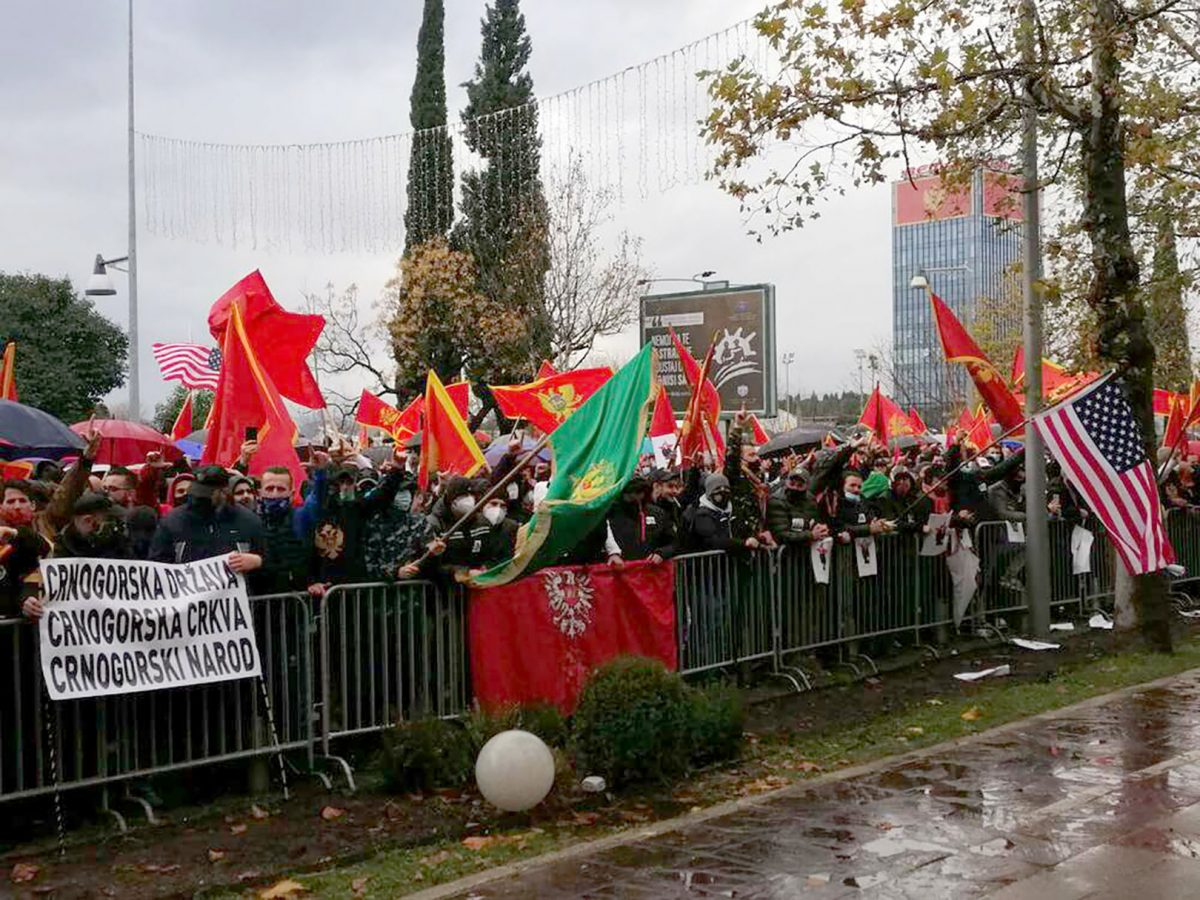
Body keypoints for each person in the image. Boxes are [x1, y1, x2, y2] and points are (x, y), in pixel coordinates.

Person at [310, 449, 407, 586]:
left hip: (355, 583)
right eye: (341, 482)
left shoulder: (360, 506)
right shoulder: (327, 506)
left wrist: (396, 470)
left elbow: (383, 494)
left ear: (355, 484)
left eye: (349, 482)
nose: (345, 487)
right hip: (328, 583)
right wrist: (321, 470)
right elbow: (318, 494)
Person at [148, 466, 264, 574]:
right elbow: (157, 565)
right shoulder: (172, 521)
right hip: (190, 593)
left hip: (236, 593)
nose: (200, 500)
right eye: (198, 494)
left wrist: (257, 561)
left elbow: (270, 563)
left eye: (207, 496)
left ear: (224, 492)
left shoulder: (249, 521)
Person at [255, 465, 322, 595]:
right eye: (269, 488)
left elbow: (319, 499)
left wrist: (321, 470)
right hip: (263, 601)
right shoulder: (252, 522)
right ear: (260, 492)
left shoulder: (300, 518)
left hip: (297, 599)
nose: (275, 494)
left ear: (291, 494)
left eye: (280, 489)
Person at [606, 476, 675, 563]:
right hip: (620, 570)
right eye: (630, 494)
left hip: (649, 570)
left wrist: (661, 553)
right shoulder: (611, 513)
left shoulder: (657, 513)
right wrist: (613, 554)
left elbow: (674, 543)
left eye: (639, 492)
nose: (636, 497)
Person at [766, 469, 830, 547]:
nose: (795, 488)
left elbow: (815, 521)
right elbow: (781, 535)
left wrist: (821, 529)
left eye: (800, 485)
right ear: (786, 482)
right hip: (785, 552)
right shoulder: (777, 501)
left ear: (807, 486)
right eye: (792, 484)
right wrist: (810, 535)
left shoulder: (811, 500)